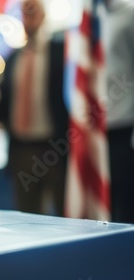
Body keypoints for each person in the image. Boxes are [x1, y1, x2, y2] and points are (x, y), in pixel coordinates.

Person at [0, 0, 68, 216]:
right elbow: (1, 105)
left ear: (43, 15)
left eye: (34, 12)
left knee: (64, 214)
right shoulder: (13, 58)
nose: (29, 19)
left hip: (55, 148)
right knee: (27, 215)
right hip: (21, 149)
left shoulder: (61, 52)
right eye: (25, 13)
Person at [105, 0, 134, 223]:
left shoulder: (129, 14)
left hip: (124, 124)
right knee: (107, 199)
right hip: (97, 126)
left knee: (125, 200)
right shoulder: (91, 17)